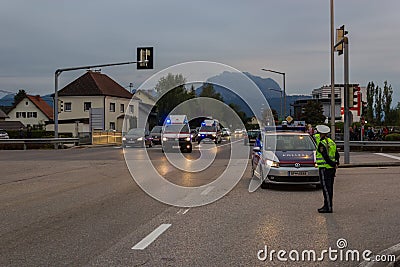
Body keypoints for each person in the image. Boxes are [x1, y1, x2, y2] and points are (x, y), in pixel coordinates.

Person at [314, 125, 340, 213]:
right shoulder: (331, 142)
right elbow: (337, 155)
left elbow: (325, 156)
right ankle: (327, 205)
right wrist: (336, 163)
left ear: (320, 133)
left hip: (324, 168)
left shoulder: (322, 143)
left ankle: (328, 207)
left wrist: (332, 164)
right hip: (331, 169)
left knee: (326, 188)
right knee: (330, 188)